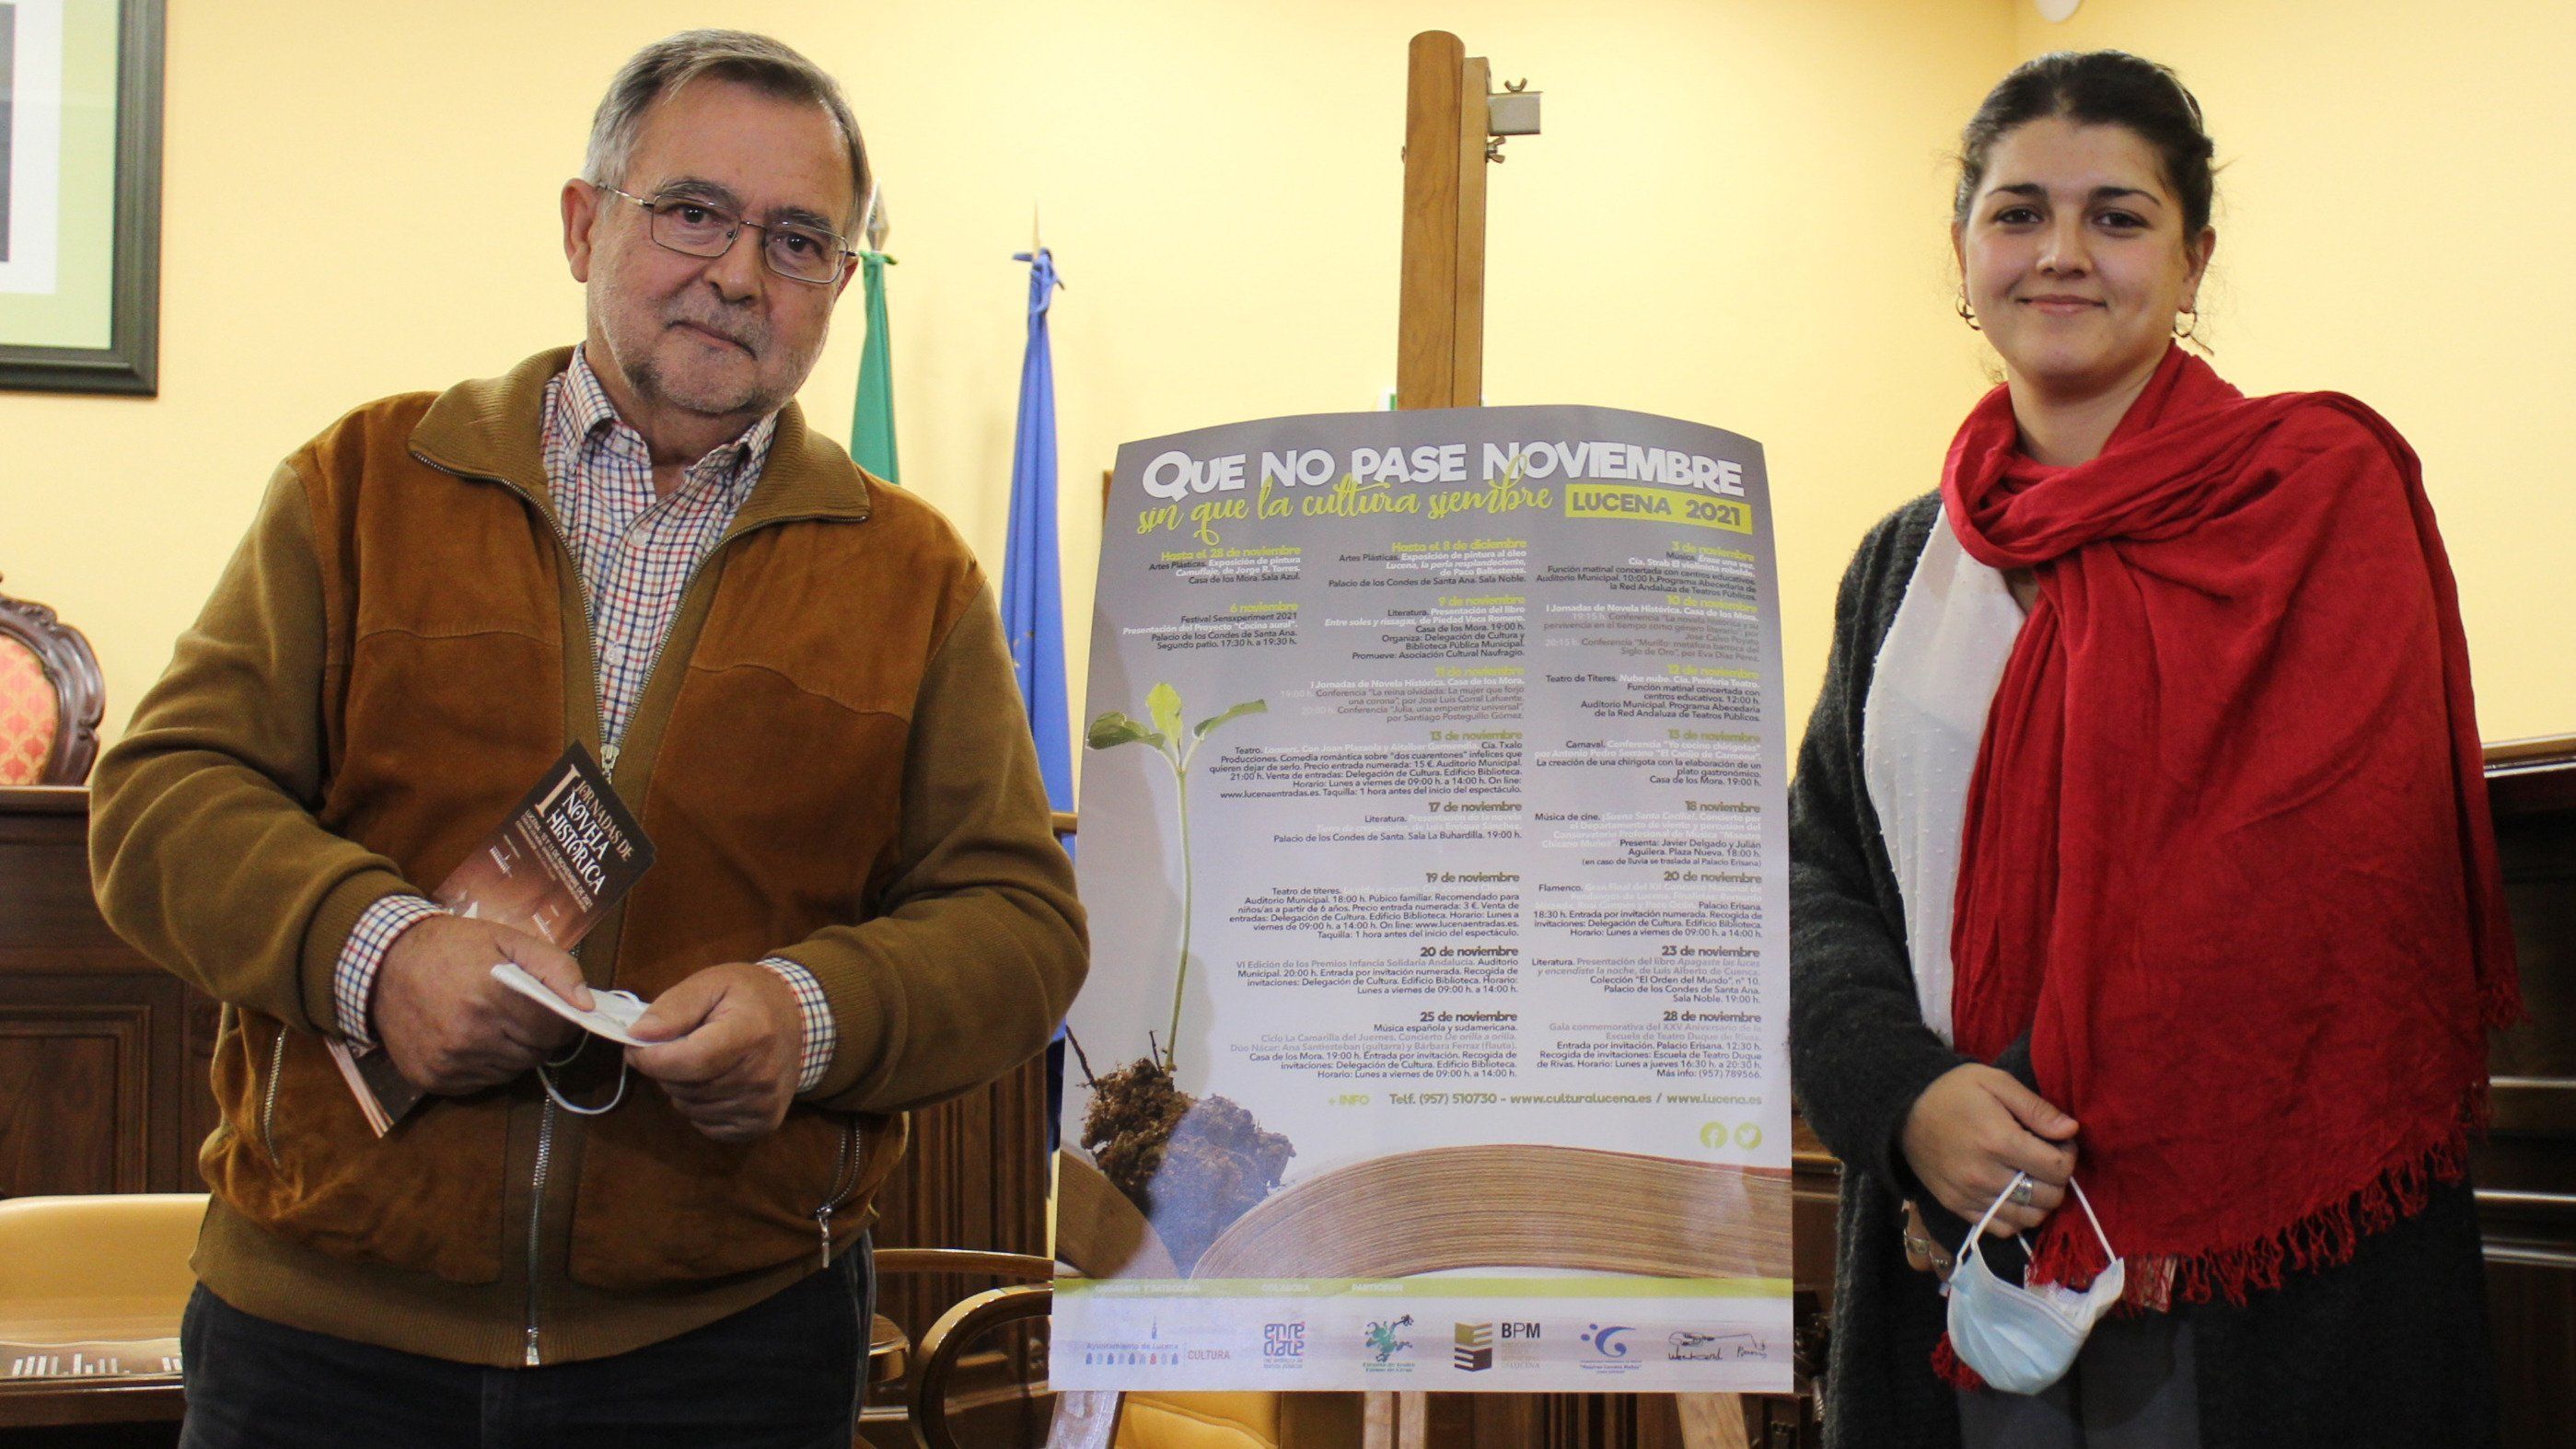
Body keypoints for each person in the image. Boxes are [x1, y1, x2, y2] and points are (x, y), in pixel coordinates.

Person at [87, 29, 1086, 1449]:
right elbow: (162, 799)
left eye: (800, 241)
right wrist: (374, 950)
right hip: (323, 1346)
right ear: (582, 223)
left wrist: (810, 1015)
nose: (739, 273)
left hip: (726, 1356)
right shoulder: (363, 481)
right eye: (693, 212)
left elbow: (1017, 921)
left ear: (838, 285)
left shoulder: (912, 574)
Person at [1787, 50, 2516, 1449]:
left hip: (2251, 1256)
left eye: (2116, 217)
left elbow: (2316, 870)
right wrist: (1907, 1103)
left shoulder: (2312, 497)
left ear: (2191, 262)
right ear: (1960, 252)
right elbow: (1820, 869)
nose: (2060, 253)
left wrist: (2004, 1133)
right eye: (2016, 214)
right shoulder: (1902, 562)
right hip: (1959, 1250)